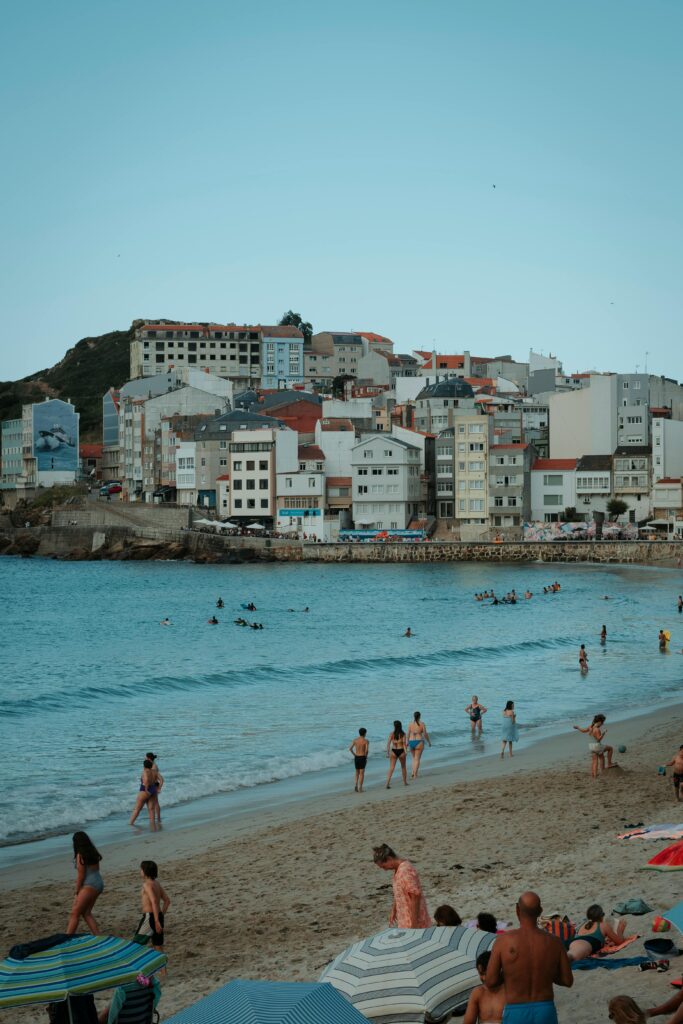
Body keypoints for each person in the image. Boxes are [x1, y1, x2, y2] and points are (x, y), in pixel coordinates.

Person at [485, 890, 572, 1024]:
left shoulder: (503, 941)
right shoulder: (555, 942)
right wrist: (550, 973)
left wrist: (507, 974)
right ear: (540, 911)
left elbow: (490, 981)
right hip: (545, 1010)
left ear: (517, 910)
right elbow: (567, 981)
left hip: (516, 1011)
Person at [372, 844, 431, 928]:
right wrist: (394, 909)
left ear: (389, 859)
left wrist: (414, 925)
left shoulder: (405, 871)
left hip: (415, 921)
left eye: (384, 866)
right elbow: (400, 891)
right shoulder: (398, 869)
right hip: (406, 919)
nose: (385, 870)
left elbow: (415, 896)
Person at [66, 832, 104, 935]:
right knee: (86, 913)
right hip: (99, 883)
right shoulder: (93, 852)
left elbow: (81, 876)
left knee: (75, 913)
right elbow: (96, 869)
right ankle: (98, 936)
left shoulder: (80, 855)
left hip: (89, 885)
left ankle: (67, 938)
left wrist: (77, 892)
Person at [464, 950, 505, 1024]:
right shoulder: (478, 993)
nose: (483, 978)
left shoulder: (511, 991)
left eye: (485, 974)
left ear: (498, 970)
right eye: (480, 974)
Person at [139, 860, 170, 951]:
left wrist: (156, 921)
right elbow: (167, 901)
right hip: (158, 916)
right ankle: (162, 961)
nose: (140, 871)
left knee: (137, 943)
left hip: (150, 917)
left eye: (141, 869)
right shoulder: (156, 883)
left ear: (145, 871)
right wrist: (161, 916)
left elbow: (154, 901)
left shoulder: (147, 885)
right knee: (158, 945)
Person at [129, 759, 158, 826]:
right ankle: (152, 824)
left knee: (137, 809)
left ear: (144, 766)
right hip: (153, 789)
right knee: (151, 809)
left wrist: (146, 788)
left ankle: (131, 823)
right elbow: (160, 780)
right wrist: (158, 788)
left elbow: (146, 780)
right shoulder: (154, 771)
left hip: (145, 790)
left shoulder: (145, 771)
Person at [407, 711, 431, 779]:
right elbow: (425, 734)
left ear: (414, 716)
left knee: (414, 758)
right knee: (417, 759)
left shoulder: (410, 724)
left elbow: (408, 734)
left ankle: (412, 772)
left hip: (411, 742)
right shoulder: (422, 724)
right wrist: (429, 742)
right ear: (420, 716)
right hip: (419, 742)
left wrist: (407, 742)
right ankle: (415, 775)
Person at [386, 721, 408, 787]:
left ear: (394, 726)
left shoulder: (391, 734)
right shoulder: (403, 734)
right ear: (400, 726)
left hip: (394, 751)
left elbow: (388, 744)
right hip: (401, 751)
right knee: (403, 767)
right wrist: (406, 751)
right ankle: (405, 782)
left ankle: (387, 783)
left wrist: (387, 753)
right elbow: (404, 744)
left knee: (391, 768)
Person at [350, 728, 369, 792]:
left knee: (357, 772)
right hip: (362, 757)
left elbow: (350, 749)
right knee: (362, 773)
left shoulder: (355, 740)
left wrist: (354, 755)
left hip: (357, 757)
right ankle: (360, 788)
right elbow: (366, 751)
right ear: (365, 733)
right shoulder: (366, 741)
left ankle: (355, 785)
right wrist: (366, 757)